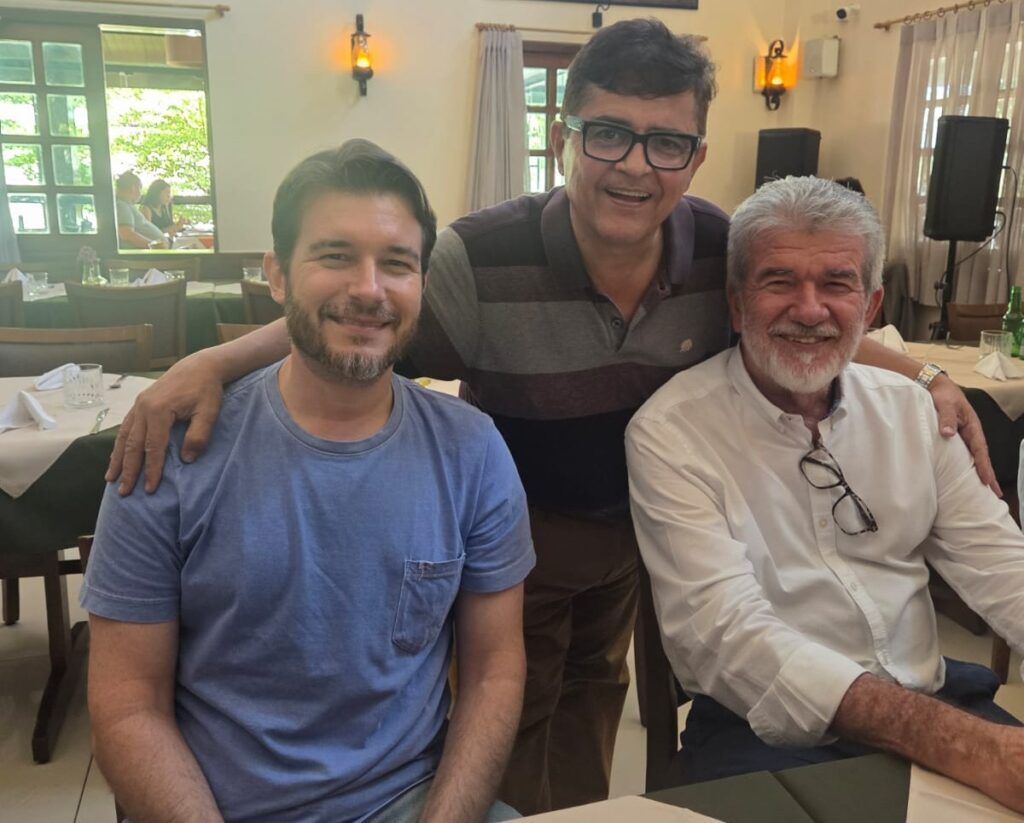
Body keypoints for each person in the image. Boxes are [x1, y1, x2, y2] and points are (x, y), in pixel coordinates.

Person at [103, 19, 996, 815]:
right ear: (563, 137)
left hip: (631, 545)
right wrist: (213, 361)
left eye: (666, 142)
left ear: (695, 155)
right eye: (608, 133)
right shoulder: (478, 257)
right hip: (509, 548)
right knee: (508, 734)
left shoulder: (716, 249)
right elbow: (363, 305)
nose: (635, 166)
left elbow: (802, 314)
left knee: (587, 727)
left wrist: (922, 373)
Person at [81, 140, 535, 823]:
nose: (369, 289)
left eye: (397, 263)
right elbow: (127, 705)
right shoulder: (169, 452)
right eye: (335, 256)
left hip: (409, 801)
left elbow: (494, 672)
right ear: (277, 275)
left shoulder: (472, 451)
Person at [626, 176, 1024, 812]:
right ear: (736, 303)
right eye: (779, 281)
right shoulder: (673, 431)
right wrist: (966, 746)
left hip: (938, 700)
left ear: (870, 308)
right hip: (766, 733)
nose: (809, 310)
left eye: (837, 284)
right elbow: (729, 639)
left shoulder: (915, 414)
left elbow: (1005, 569)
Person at [115, 171, 168, 250]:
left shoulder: (127, 206)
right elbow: (126, 234)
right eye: (140, 188)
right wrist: (154, 246)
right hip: (145, 255)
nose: (140, 193)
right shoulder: (122, 206)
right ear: (133, 188)